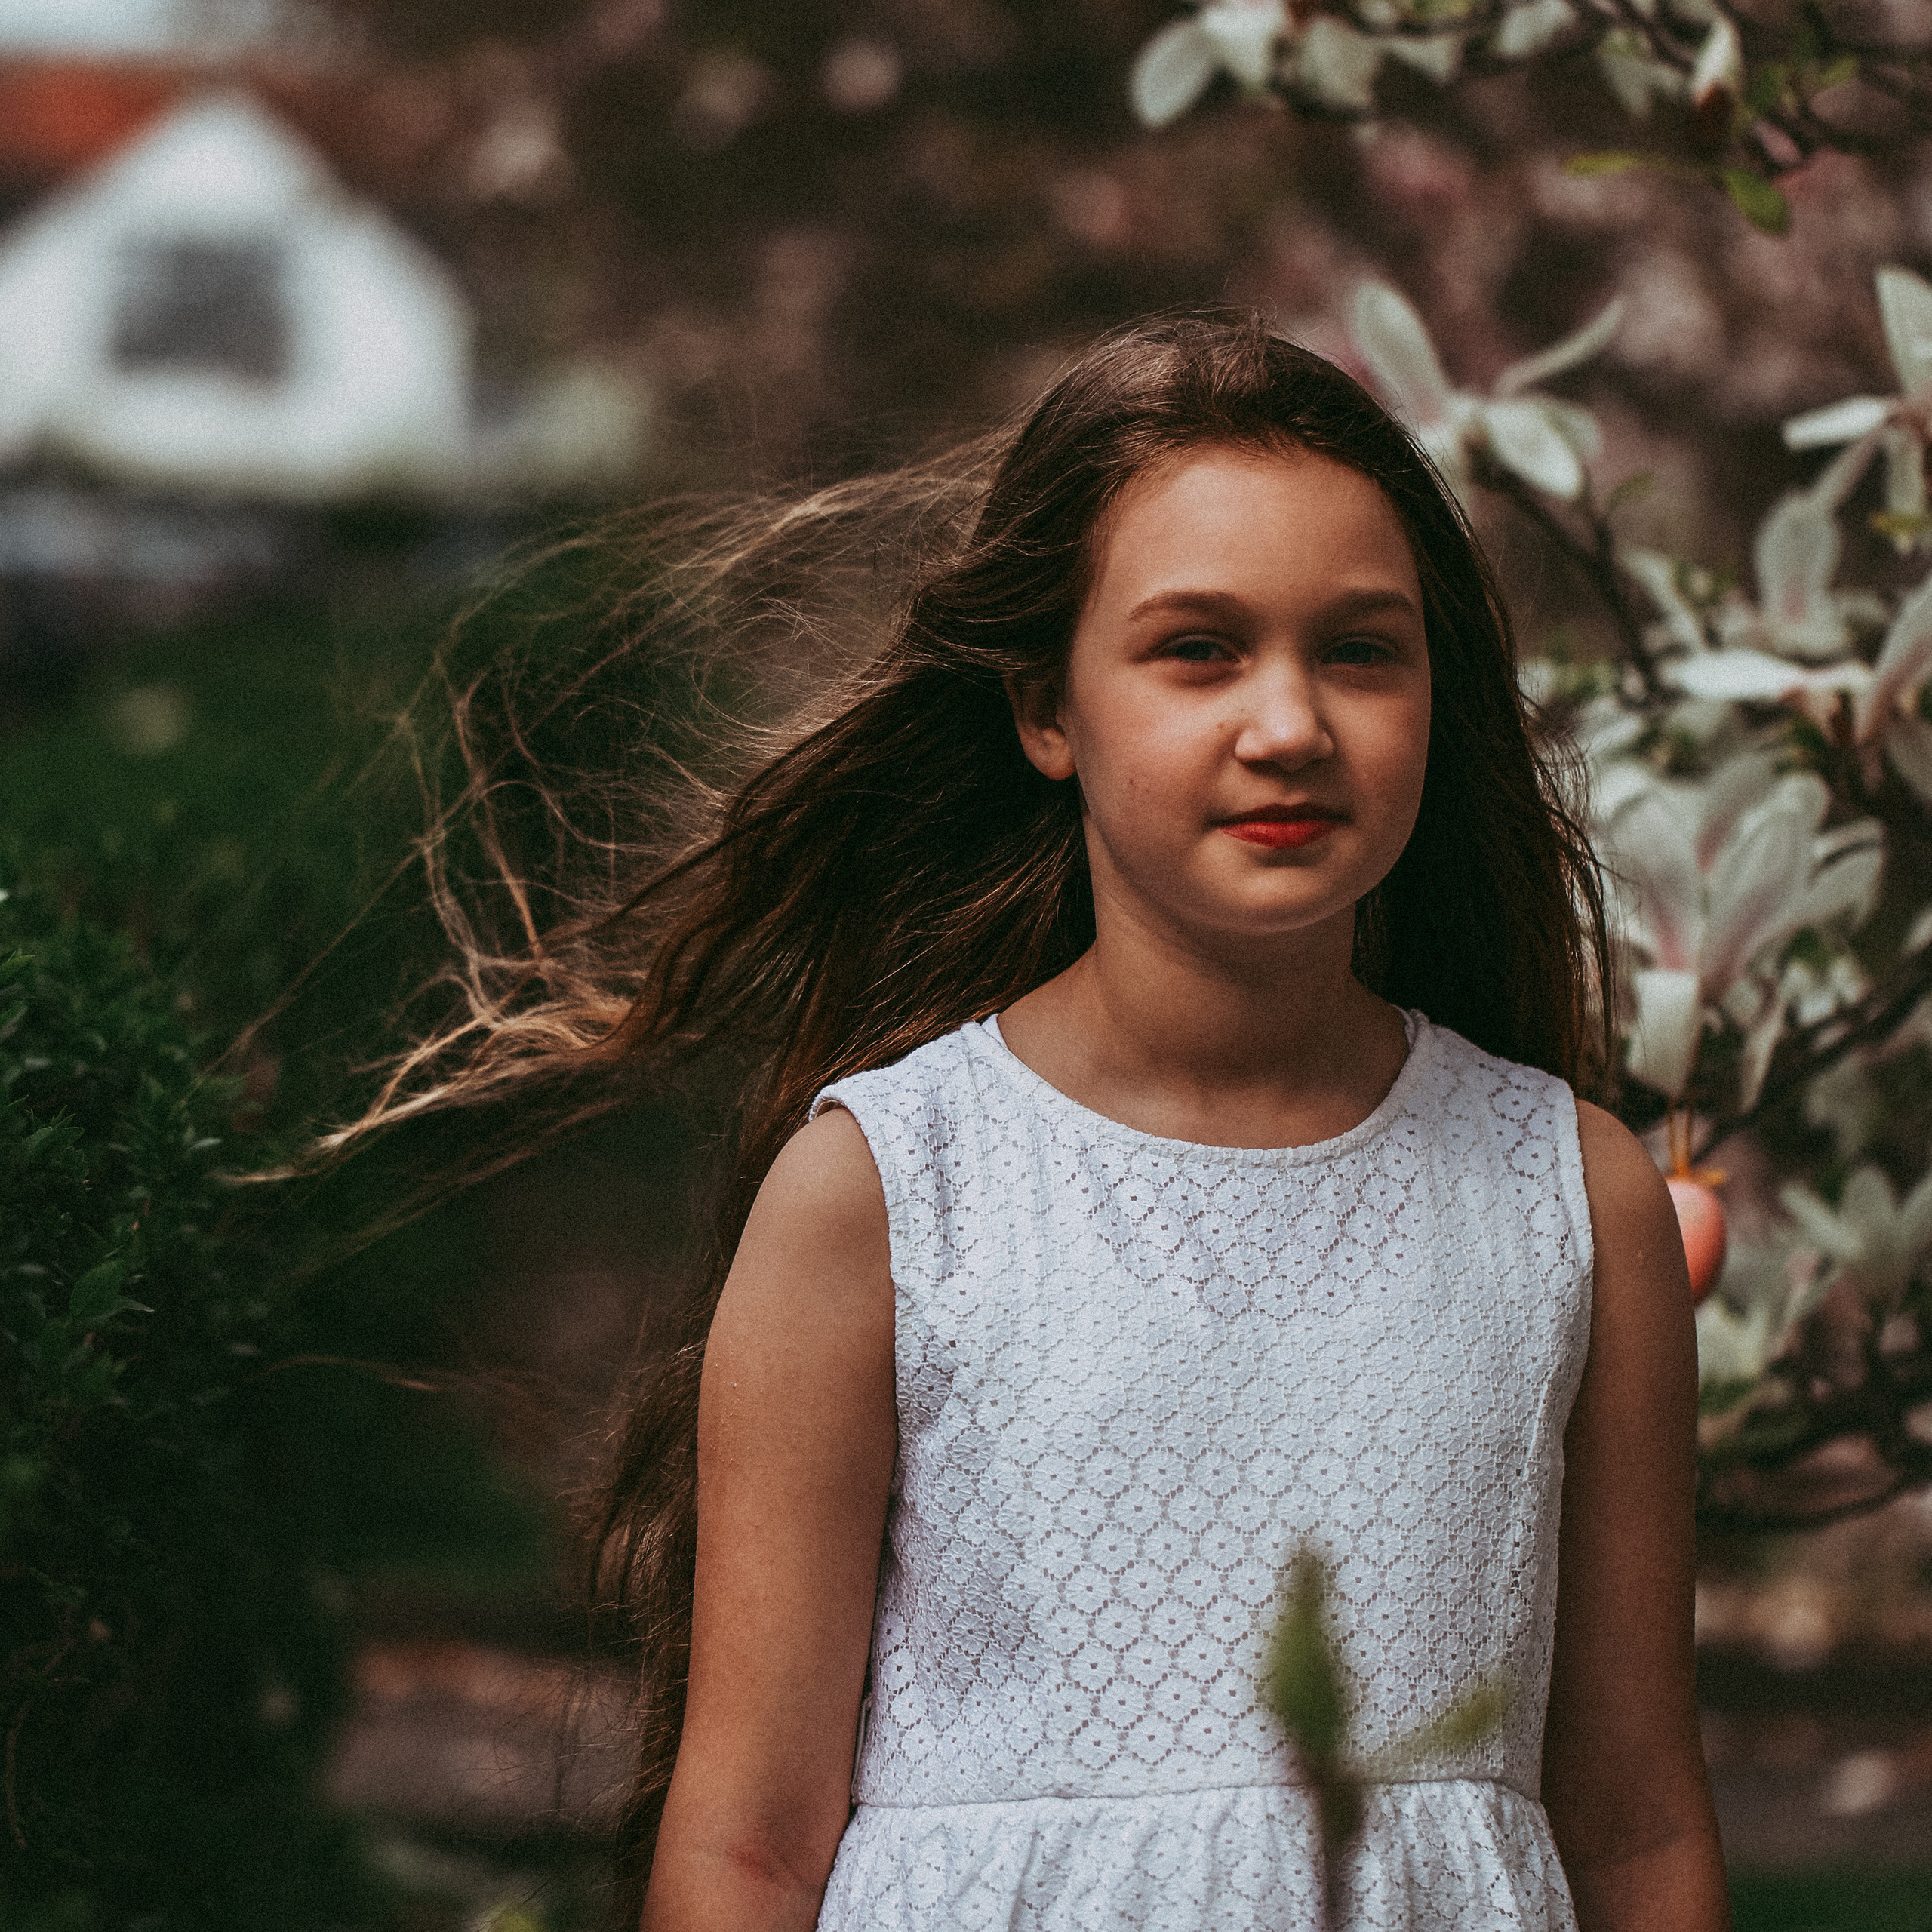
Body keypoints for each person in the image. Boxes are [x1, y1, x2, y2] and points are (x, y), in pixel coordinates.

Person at [390, 313, 1729, 1927]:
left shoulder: (1566, 1200)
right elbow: (741, 1839)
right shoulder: (883, 1191)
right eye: (1197, 648)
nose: (1288, 721)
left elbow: (1640, 1826)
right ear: (1045, 706)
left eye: (1360, 648)